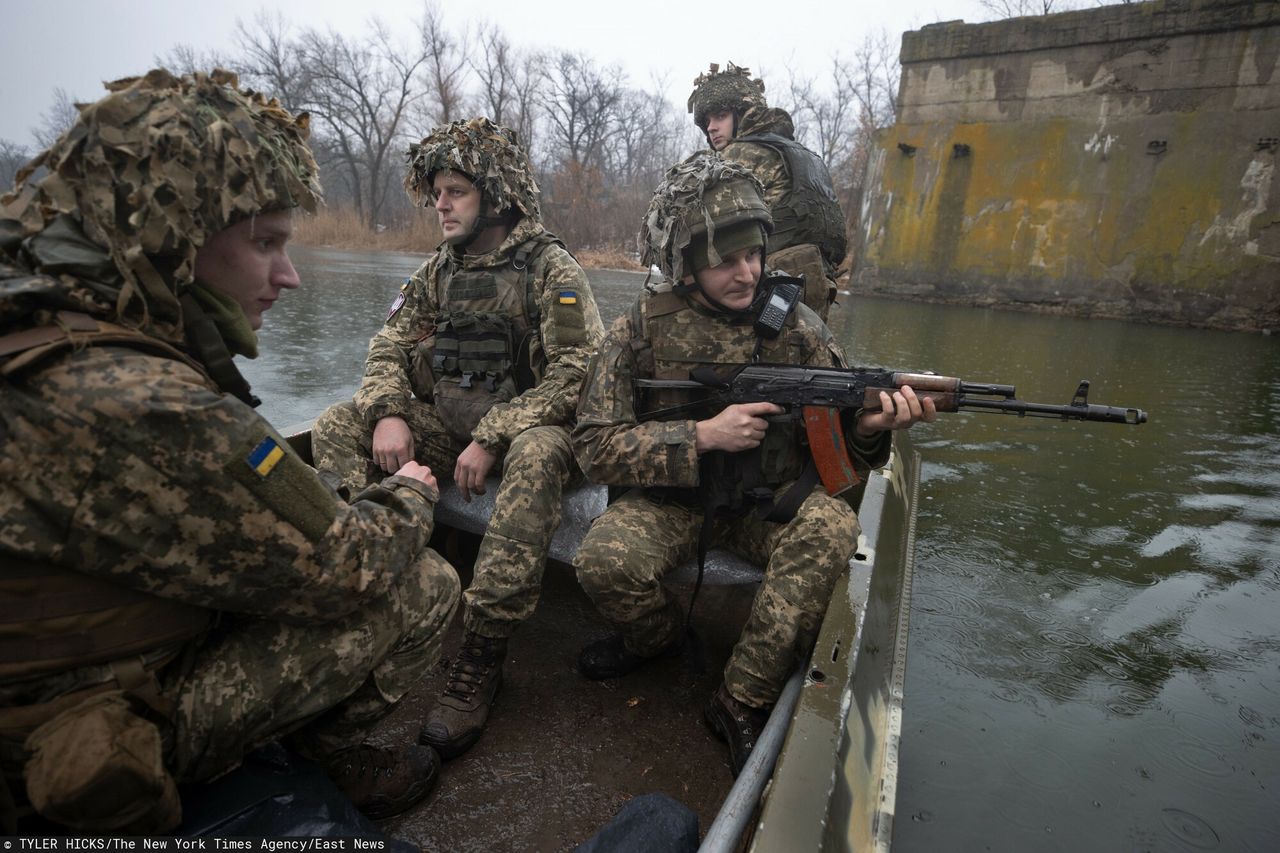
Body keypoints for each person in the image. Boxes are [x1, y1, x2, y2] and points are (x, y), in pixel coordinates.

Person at [0, 69, 461, 833]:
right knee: (426, 581)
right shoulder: (151, 403)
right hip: (67, 749)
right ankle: (311, 756)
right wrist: (409, 489)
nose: (290, 275)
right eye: (266, 244)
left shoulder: (40, 331)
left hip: (55, 686)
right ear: (173, 239)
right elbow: (349, 565)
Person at [571, 152, 934, 776]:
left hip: (766, 506)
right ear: (686, 265)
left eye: (754, 255)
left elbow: (842, 448)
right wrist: (702, 435)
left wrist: (873, 429)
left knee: (830, 528)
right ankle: (656, 639)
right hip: (672, 504)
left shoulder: (799, 328)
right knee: (603, 563)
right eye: (725, 260)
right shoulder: (639, 331)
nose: (747, 273)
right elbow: (594, 444)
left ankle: (740, 697)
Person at [311, 117, 604, 761]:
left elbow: (579, 373)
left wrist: (497, 433)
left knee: (538, 450)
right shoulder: (439, 270)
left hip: (531, 440)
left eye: (454, 192)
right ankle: (369, 585)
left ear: (495, 198)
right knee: (339, 421)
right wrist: (389, 411)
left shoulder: (550, 270)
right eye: (436, 192)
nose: (439, 205)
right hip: (453, 429)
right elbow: (387, 342)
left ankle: (481, 650)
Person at [687, 62, 848, 321]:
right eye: (707, 121)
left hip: (769, 283)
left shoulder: (739, 153)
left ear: (741, 114)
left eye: (720, 116)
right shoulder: (801, 154)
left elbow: (696, 219)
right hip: (816, 283)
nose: (711, 128)